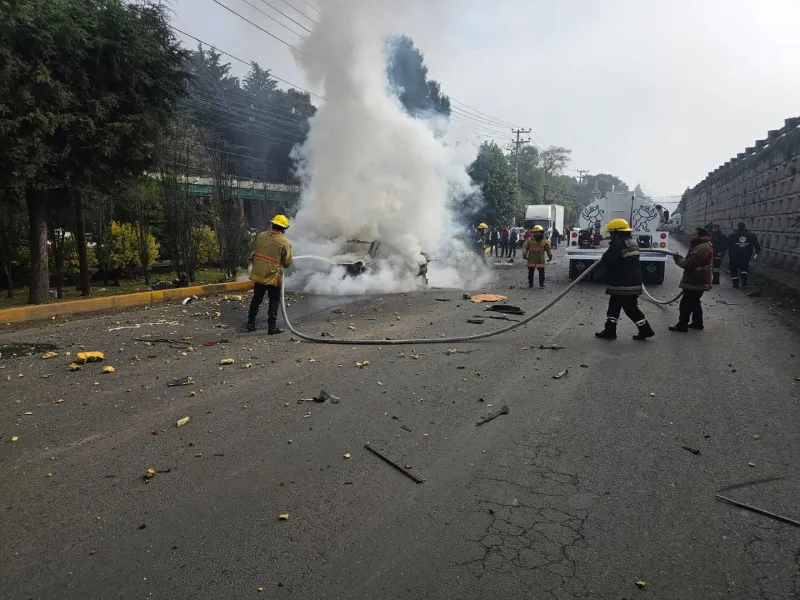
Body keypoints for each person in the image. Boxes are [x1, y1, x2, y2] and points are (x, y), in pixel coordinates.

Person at [594, 218, 655, 341]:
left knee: (630, 308)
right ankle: (610, 330)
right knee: (614, 306)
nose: (610, 235)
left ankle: (645, 330)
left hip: (623, 283)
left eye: (612, 233)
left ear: (617, 233)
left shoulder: (618, 245)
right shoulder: (631, 242)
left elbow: (607, 259)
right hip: (627, 281)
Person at [247, 215, 293, 334]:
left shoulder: (261, 236)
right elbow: (287, 263)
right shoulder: (285, 242)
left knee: (256, 299)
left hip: (259, 273)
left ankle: (250, 324)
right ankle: (271, 328)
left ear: (272, 225)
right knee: (274, 301)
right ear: (283, 229)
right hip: (273, 276)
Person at [670, 227, 713, 332]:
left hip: (696, 279)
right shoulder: (703, 245)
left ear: (700, 236)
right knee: (694, 301)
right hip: (699, 279)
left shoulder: (701, 247)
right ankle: (697, 323)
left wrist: (678, 259)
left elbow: (688, 264)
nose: (691, 237)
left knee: (686, 303)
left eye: (694, 235)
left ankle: (682, 325)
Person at [726, 222, 760, 288]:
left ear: (737, 227)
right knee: (744, 268)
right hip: (746, 256)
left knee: (733, 269)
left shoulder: (732, 235)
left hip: (734, 256)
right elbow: (757, 246)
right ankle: (744, 281)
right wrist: (756, 253)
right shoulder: (751, 235)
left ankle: (735, 283)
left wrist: (722, 252)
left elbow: (726, 245)